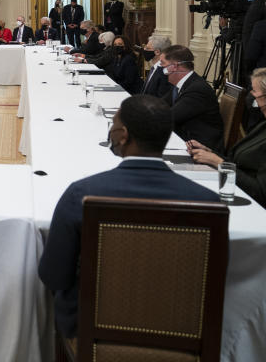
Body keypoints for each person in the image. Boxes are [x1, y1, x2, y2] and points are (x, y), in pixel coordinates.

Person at [38, 95, 220, 340]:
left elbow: (53, 275)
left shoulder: (82, 194)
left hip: (93, 330)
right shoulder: (208, 202)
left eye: (112, 126)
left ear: (123, 135)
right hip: (183, 333)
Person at [187, 67, 266, 208]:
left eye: (255, 94)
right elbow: (238, 161)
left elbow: (260, 192)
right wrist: (209, 152)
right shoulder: (263, 125)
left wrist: (218, 162)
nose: (253, 99)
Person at [160, 45, 224, 151]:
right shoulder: (182, 84)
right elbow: (159, 104)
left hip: (200, 146)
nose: (160, 66)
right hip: (184, 138)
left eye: (163, 63)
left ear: (174, 66)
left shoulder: (197, 89)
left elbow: (170, 116)